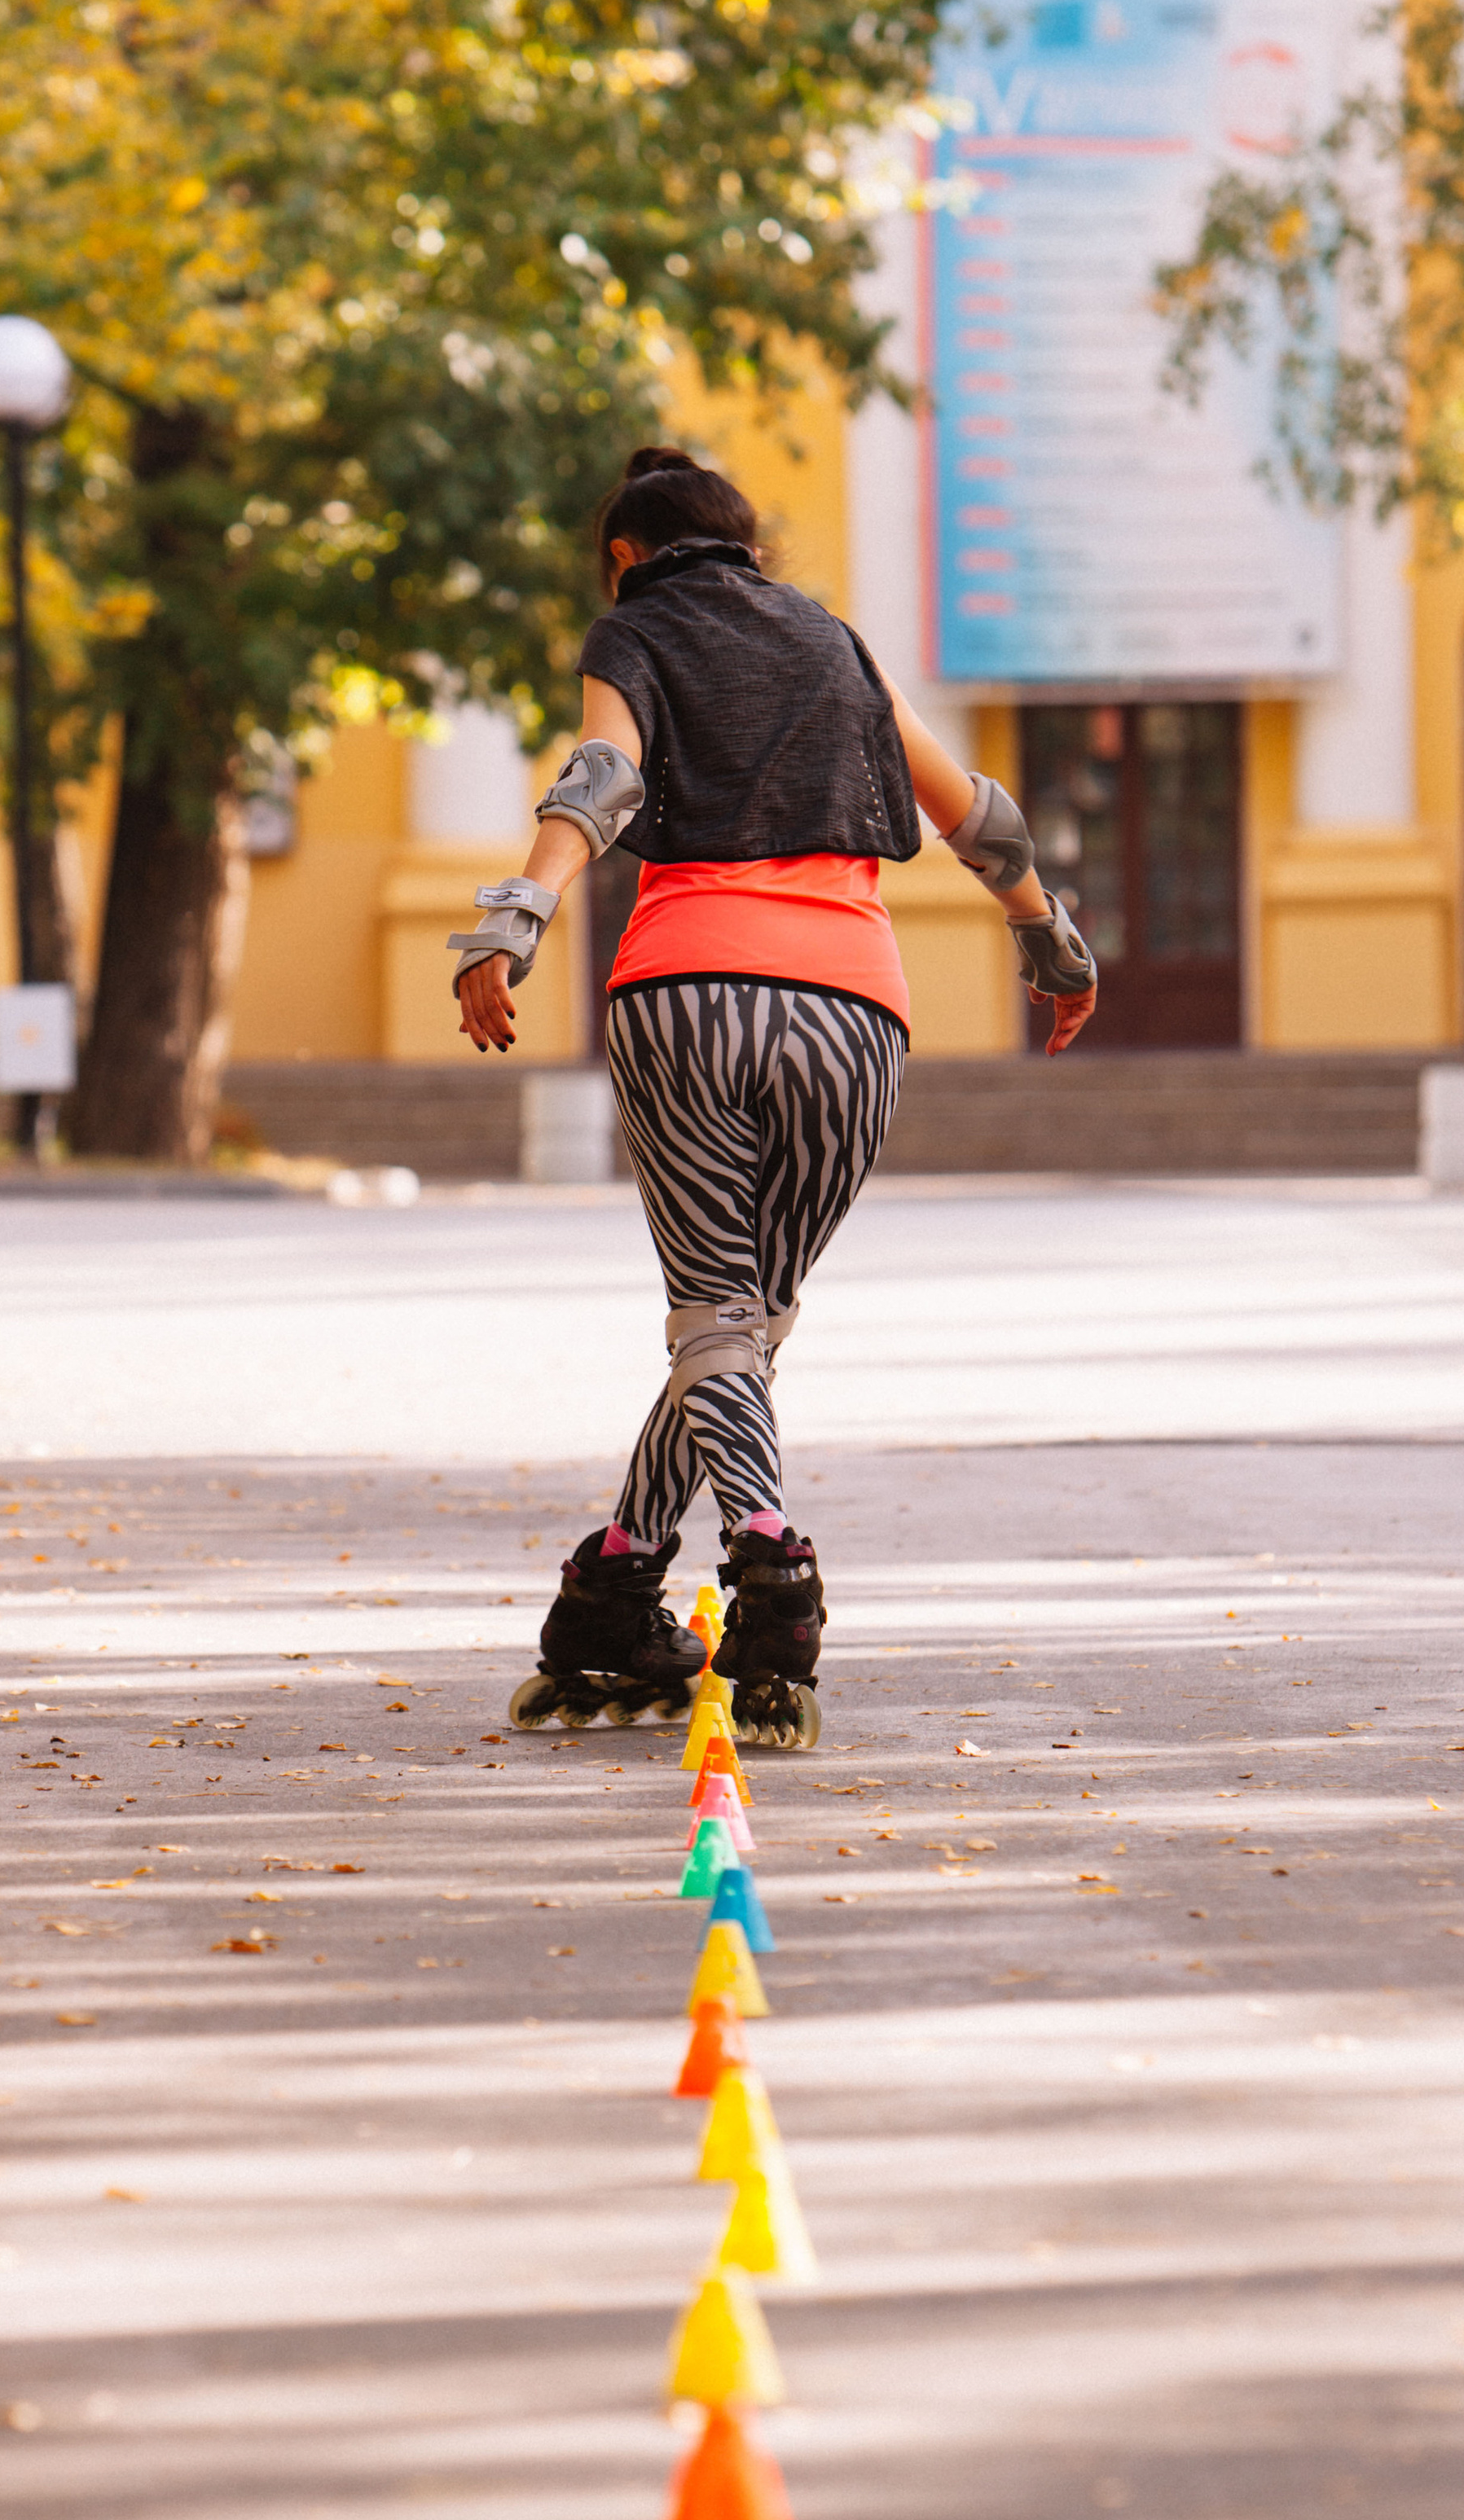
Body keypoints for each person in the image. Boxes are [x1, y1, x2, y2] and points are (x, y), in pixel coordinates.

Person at [452, 445, 1097, 1746]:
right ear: (747, 546)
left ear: (627, 556)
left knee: (713, 1319)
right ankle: (617, 1587)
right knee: (743, 1327)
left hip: (685, 996)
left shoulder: (632, 628)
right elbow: (975, 812)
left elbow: (605, 774)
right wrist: (1051, 937)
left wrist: (516, 912)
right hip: (854, 1014)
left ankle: (771, 1581)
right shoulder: (837, 642)